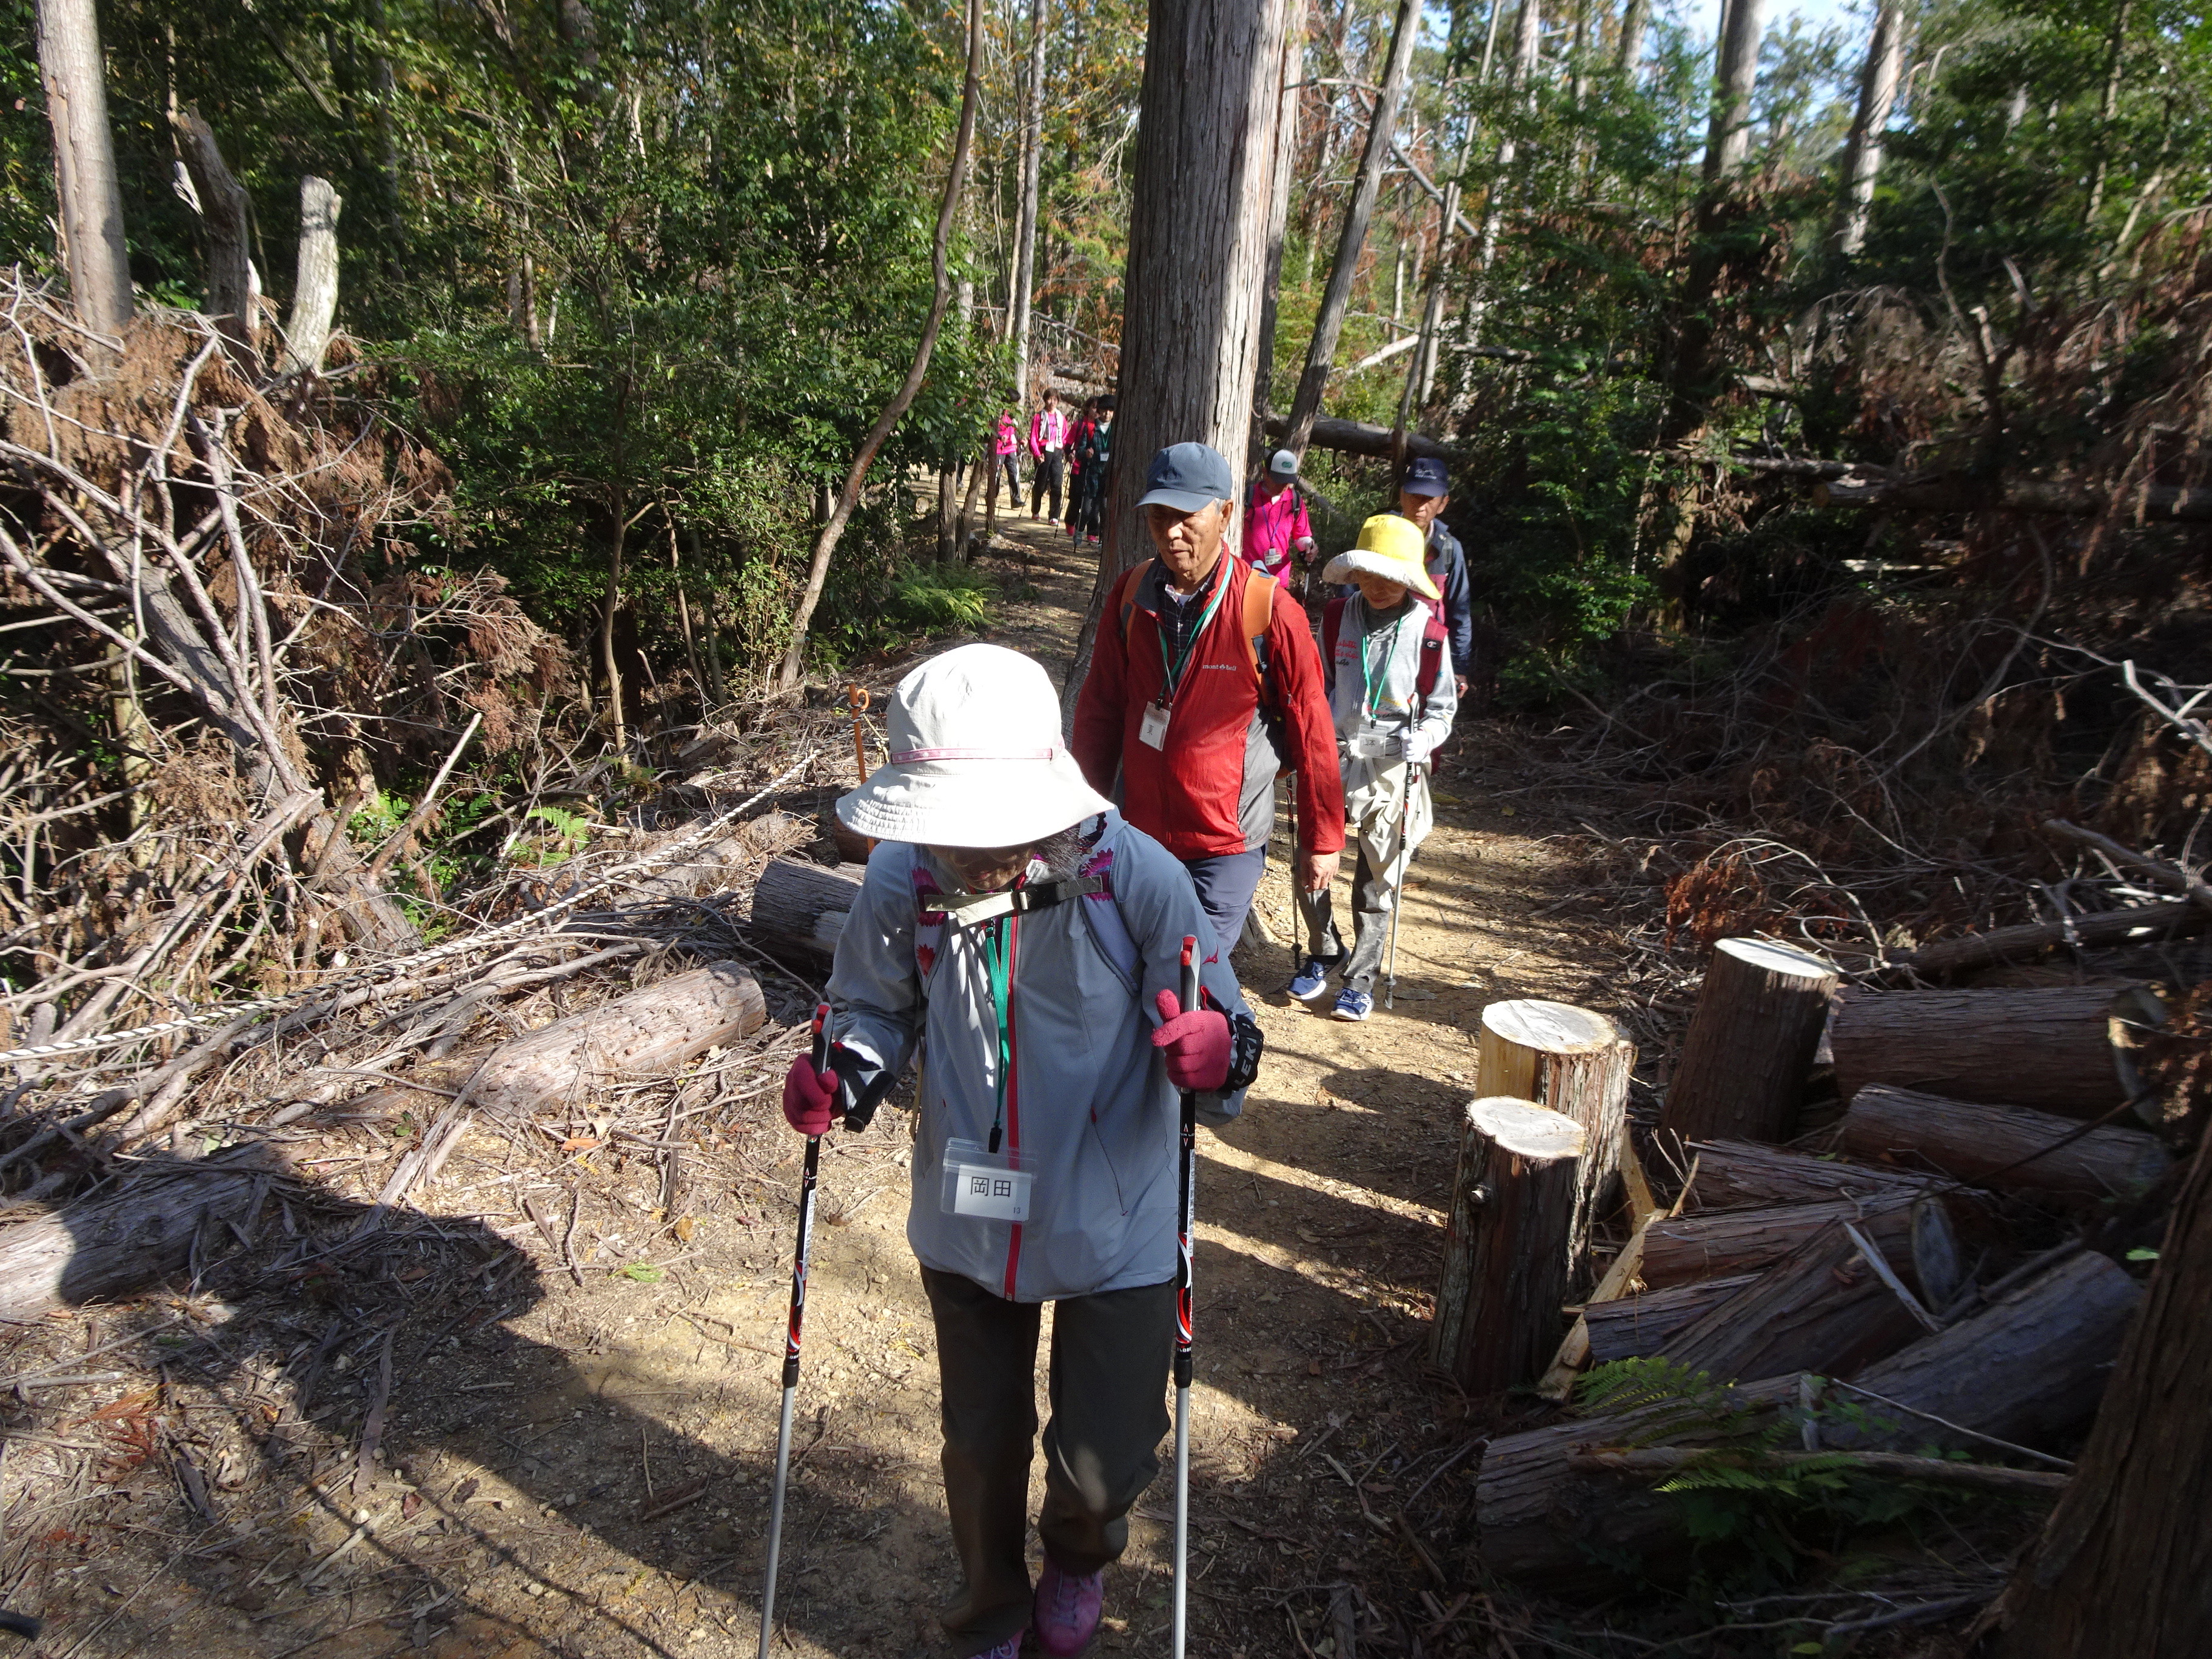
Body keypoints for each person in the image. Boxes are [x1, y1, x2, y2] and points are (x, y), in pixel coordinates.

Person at [782, 643, 1265, 1659]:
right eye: (949, 829)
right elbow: (872, 1007)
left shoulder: (1137, 877)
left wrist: (1216, 1054)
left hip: (1115, 1215)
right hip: (966, 1217)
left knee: (1104, 1460)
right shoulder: (902, 880)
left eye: (988, 828)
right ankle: (991, 1613)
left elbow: (1218, 1025)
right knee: (978, 1446)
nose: (971, 854)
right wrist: (844, 1071)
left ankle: (1076, 1566)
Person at [1071, 441, 1344, 959]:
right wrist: (1086, 816)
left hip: (1225, 845)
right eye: (1158, 517)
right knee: (1130, 969)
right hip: (1140, 833)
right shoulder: (1131, 597)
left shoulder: (1266, 608)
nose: (1171, 533)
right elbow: (1101, 711)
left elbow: (1311, 724)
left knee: (1193, 978)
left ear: (1224, 514)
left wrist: (1323, 835)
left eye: (1186, 516)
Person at [1289, 515, 1458, 1022]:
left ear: (1410, 578)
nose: (1379, 586)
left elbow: (1442, 708)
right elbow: (1317, 687)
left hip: (1392, 770)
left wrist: (1424, 739)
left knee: (1377, 880)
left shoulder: (1428, 633)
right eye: (1369, 574)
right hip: (1334, 757)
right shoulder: (1339, 617)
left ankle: (1361, 978)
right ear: (1355, 572)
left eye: (1391, 576)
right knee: (1311, 862)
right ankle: (1323, 951)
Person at [1395, 455, 1475, 699]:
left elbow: (1460, 612)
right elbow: (1350, 596)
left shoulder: (1450, 549)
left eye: (1429, 499)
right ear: (1401, 495)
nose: (1420, 506)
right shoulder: (1377, 535)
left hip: (1429, 654)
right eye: (1414, 496)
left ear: (1443, 503)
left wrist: (1459, 670)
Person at [1244, 448, 1316, 588]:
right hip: (1247, 577)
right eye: (1279, 480)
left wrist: (1308, 547)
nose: (1284, 486)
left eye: (1288, 481)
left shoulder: (1295, 500)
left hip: (1279, 581)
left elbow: (1302, 535)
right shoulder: (1248, 497)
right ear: (1265, 473)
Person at [1074, 396, 1115, 544]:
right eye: (1104, 411)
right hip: (1092, 474)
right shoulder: (1091, 428)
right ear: (1099, 411)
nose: (1107, 414)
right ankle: (1079, 530)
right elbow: (1079, 450)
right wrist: (1086, 453)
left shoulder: (1116, 430)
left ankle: (1102, 541)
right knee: (1088, 509)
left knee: (1104, 509)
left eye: (1110, 411)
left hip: (1108, 475)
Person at [1028, 388, 1069, 522]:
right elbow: (1033, 437)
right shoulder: (1038, 417)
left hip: (1057, 451)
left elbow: (1065, 436)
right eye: (1050, 399)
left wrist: (1063, 448)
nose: (1052, 402)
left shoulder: (1061, 418)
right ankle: (1036, 510)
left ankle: (1054, 515)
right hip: (1043, 451)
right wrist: (1037, 454)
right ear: (1045, 400)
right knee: (1040, 484)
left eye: (1055, 399)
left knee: (1057, 484)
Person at [991, 409, 1021, 512]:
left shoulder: (1012, 414)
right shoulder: (997, 412)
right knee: (996, 474)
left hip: (1011, 448)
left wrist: (1020, 440)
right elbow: (990, 428)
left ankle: (1016, 500)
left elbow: (1014, 430)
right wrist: (1000, 437)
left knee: (1014, 473)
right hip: (999, 448)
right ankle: (992, 498)